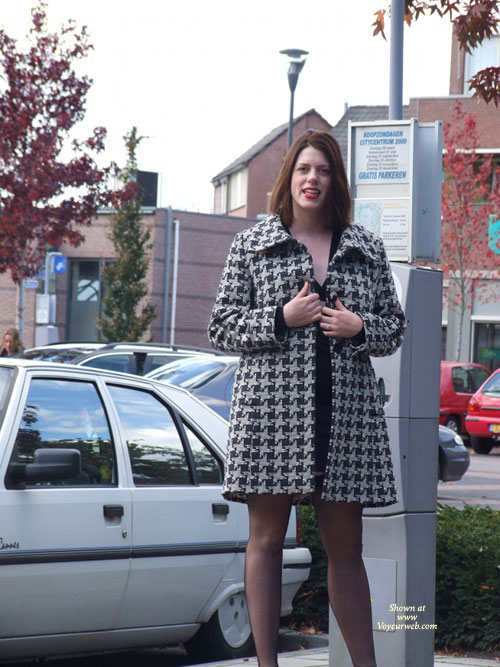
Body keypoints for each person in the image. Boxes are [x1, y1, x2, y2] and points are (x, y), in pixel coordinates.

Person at [208, 129, 406, 667]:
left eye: (322, 169)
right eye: (302, 169)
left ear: (335, 179)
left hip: (345, 419)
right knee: (266, 541)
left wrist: (359, 326)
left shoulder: (366, 248)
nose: (312, 178)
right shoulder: (253, 244)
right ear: (289, 178)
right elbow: (221, 327)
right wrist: (282, 317)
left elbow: (394, 327)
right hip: (271, 416)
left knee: (348, 551)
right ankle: (266, 664)